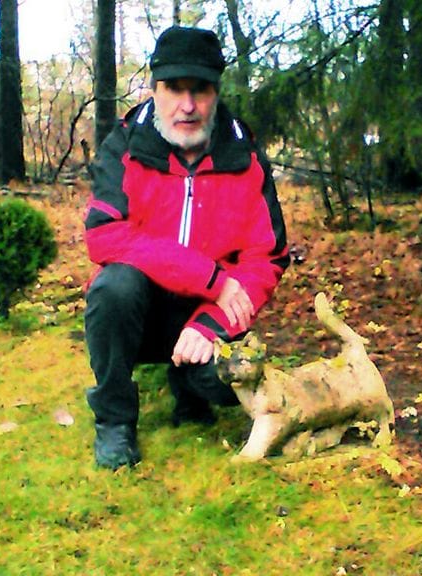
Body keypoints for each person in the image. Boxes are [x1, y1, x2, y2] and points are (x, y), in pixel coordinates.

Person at [82, 26, 290, 470]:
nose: (188, 105)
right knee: (113, 287)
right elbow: (104, 234)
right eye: (175, 88)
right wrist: (209, 278)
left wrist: (211, 323)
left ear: (216, 92)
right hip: (139, 311)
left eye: (201, 90)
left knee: (221, 387)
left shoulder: (245, 157)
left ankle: (189, 384)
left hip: (204, 315)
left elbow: (267, 257)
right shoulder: (125, 146)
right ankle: (115, 420)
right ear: (154, 89)